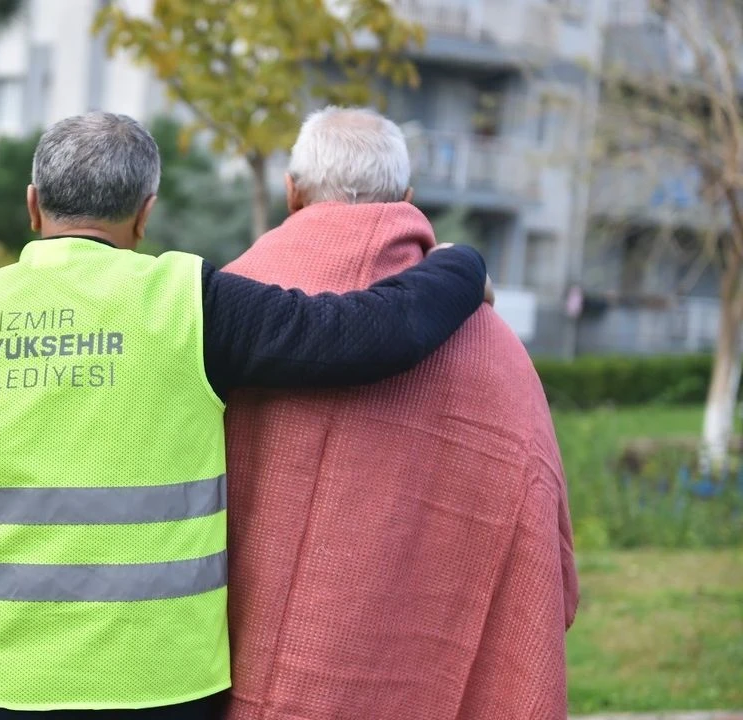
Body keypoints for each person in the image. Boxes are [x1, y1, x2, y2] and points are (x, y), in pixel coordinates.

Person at [0, 111, 491, 720]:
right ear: (144, 211)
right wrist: (461, 264)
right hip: (153, 684)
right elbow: (370, 334)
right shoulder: (187, 304)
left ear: (32, 204)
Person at [221, 107, 579, 720]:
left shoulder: (225, 305)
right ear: (408, 199)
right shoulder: (496, 350)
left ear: (290, 190)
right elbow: (548, 561)